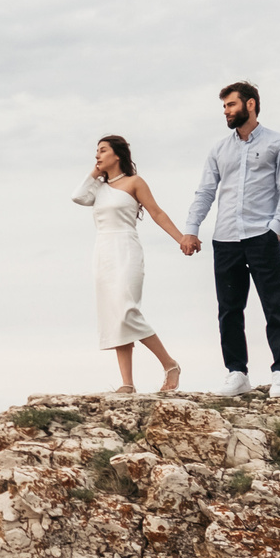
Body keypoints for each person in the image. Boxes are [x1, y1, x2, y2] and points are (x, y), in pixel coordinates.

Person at [178, 81, 280, 399]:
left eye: (231, 105)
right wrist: (192, 228)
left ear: (251, 104)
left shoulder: (279, 142)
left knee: (275, 306)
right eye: (225, 107)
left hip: (262, 236)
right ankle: (237, 372)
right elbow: (205, 192)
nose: (227, 112)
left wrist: (276, 229)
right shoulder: (219, 149)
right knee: (229, 309)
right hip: (226, 238)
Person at [73, 135, 196, 394]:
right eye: (96, 151)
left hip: (126, 249)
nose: (97, 155)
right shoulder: (98, 188)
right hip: (103, 252)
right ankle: (127, 383)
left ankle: (170, 364)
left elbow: (157, 213)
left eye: (102, 151)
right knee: (114, 316)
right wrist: (95, 173)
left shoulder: (134, 182)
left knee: (127, 310)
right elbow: (78, 197)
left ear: (117, 155)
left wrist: (180, 239)